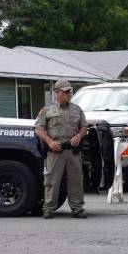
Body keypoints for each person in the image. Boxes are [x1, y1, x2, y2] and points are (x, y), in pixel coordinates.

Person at [35, 78, 89, 219]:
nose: (68, 94)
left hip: (72, 151)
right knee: (51, 182)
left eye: (70, 91)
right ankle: (49, 209)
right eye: (65, 92)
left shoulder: (77, 109)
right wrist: (49, 142)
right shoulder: (47, 110)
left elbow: (84, 126)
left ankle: (77, 209)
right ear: (57, 93)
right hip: (55, 151)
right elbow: (38, 129)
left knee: (76, 181)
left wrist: (79, 136)